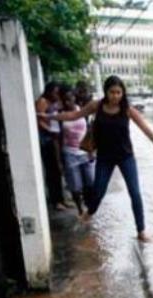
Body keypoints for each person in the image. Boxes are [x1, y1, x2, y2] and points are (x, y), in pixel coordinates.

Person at [41, 76, 153, 242]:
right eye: (112, 92)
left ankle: (141, 231)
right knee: (98, 191)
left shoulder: (127, 109)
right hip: (105, 157)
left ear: (123, 92)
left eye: (119, 92)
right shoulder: (97, 106)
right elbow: (74, 115)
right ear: (106, 92)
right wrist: (50, 117)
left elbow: (146, 130)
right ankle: (90, 212)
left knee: (135, 193)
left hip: (126, 157)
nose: (115, 96)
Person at [59, 87, 95, 216]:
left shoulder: (83, 112)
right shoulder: (61, 115)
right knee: (75, 185)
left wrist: (92, 151)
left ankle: (89, 206)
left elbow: (90, 132)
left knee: (90, 182)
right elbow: (58, 138)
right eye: (66, 100)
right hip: (69, 154)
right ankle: (80, 210)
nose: (69, 102)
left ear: (75, 98)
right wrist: (59, 159)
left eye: (71, 98)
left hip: (85, 153)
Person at [35, 81, 69, 210]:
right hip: (47, 140)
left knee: (58, 169)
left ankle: (60, 198)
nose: (57, 94)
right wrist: (49, 130)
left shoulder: (54, 102)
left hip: (55, 138)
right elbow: (38, 119)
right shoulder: (42, 101)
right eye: (55, 92)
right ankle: (56, 200)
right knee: (52, 169)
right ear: (49, 91)